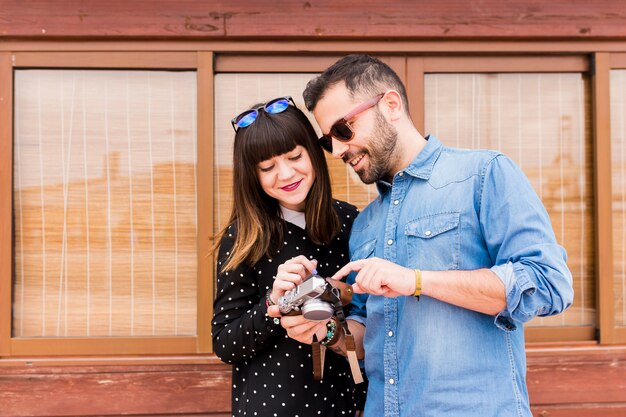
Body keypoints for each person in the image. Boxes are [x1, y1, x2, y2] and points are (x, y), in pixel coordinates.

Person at [271, 55, 574, 417]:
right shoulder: (365, 224)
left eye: (344, 130)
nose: (337, 150)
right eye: (327, 142)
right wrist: (324, 329)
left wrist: (415, 280)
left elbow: (549, 283)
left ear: (391, 105)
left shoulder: (482, 174)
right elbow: (365, 336)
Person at [211, 96, 364, 417]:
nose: (285, 174)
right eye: (267, 167)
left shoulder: (350, 221)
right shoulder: (244, 236)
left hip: (342, 405)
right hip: (269, 407)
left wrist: (335, 293)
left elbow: (370, 321)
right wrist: (273, 304)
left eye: (295, 156)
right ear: (252, 175)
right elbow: (225, 344)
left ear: (313, 152)